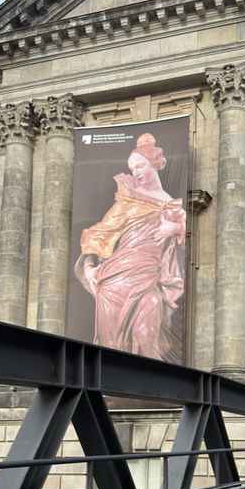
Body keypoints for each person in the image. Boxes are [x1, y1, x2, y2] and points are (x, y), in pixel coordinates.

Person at [74, 133, 186, 361]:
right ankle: (112, 392)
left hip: (148, 277)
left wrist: (173, 229)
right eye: (132, 168)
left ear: (154, 164)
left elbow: (185, 234)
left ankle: (149, 391)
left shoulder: (171, 203)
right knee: (112, 345)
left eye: (140, 166)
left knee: (147, 336)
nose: (136, 172)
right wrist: (88, 266)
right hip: (115, 279)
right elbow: (101, 231)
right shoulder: (129, 199)